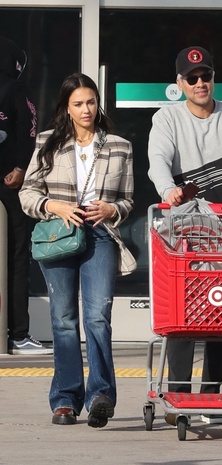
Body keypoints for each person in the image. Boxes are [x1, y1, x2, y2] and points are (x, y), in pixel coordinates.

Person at [148, 46, 222, 425]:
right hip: (189, 223)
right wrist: (168, 191)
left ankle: (211, 394)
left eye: (207, 76)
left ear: (214, 78)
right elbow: (159, 161)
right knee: (184, 308)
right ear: (180, 83)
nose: (201, 83)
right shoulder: (167, 119)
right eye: (193, 78)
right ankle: (180, 393)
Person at [19, 72, 136, 427]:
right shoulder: (47, 142)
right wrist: (54, 206)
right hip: (60, 234)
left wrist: (112, 209)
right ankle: (66, 399)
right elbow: (27, 193)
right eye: (78, 104)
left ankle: (101, 394)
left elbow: (129, 200)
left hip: (100, 234)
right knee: (64, 320)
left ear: (98, 104)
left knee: (97, 316)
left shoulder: (120, 146)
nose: (86, 109)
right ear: (67, 108)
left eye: (91, 102)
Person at [0, 36, 53, 355]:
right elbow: (30, 130)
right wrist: (20, 166)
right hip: (9, 186)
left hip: (9, 183)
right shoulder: (16, 89)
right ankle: (18, 334)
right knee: (17, 257)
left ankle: (17, 333)